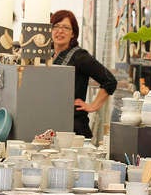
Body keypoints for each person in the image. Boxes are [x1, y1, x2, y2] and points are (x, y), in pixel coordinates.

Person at [50, 9, 117, 138]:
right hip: (54, 123)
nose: (60, 31)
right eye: (56, 26)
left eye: (65, 28)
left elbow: (110, 81)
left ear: (73, 34)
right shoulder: (49, 55)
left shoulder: (80, 57)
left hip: (74, 127)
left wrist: (92, 106)